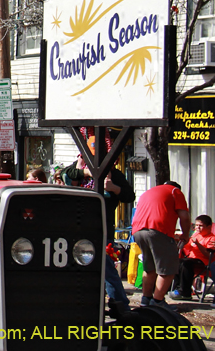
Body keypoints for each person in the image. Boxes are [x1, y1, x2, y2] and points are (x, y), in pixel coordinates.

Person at [63, 135, 136, 316]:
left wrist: (114, 188)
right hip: (77, 228)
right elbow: (66, 174)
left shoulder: (114, 174)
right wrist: (84, 172)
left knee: (106, 268)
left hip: (102, 229)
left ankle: (120, 304)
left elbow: (129, 196)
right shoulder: (79, 169)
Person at [132, 181, 190, 311]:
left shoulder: (148, 192)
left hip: (138, 230)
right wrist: (185, 234)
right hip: (157, 230)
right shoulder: (175, 191)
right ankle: (158, 301)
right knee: (168, 268)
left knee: (150, 267)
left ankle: (146, 299)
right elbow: (184, 217)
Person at [169, 214, 215, 300]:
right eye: (196, 225)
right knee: (177, 262)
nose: (197, 228)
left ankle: (185, 292)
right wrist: (181, 240)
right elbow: (187, 247)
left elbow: (209, 255)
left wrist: (198, 244)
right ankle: (177, 288)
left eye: (201, 226)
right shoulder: (196, 235)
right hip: (191, 260)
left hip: (204, 262)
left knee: (185, 263)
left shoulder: (212, 239)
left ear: (209, 227)